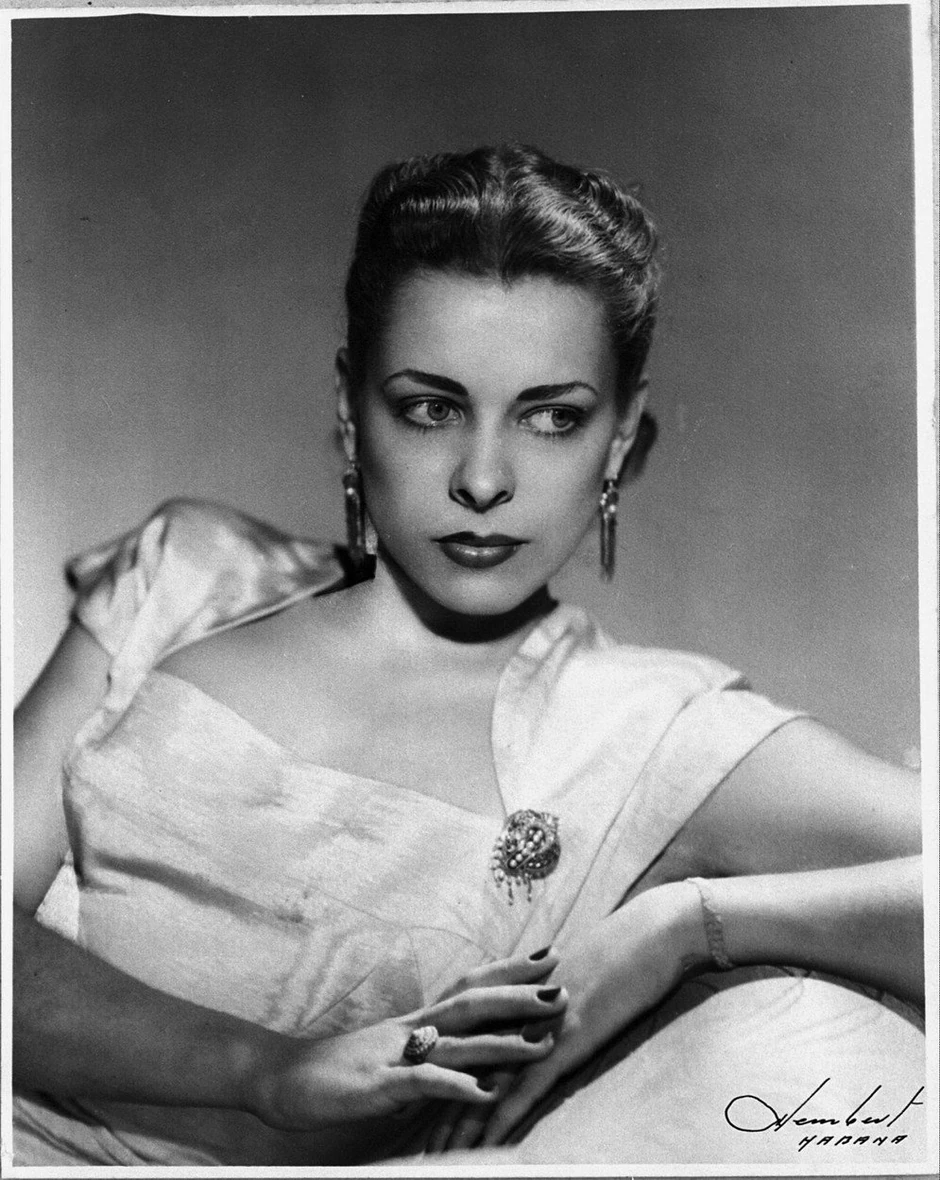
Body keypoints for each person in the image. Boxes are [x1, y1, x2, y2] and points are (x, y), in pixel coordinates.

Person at [12, 144, 924, 1166]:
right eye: (431, 408)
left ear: (622, 440)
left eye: (552, 417)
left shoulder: (653, 734)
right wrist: (265, 1070)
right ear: (350, 408)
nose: (483, 479)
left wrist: (690, 922)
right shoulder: (185, 576)